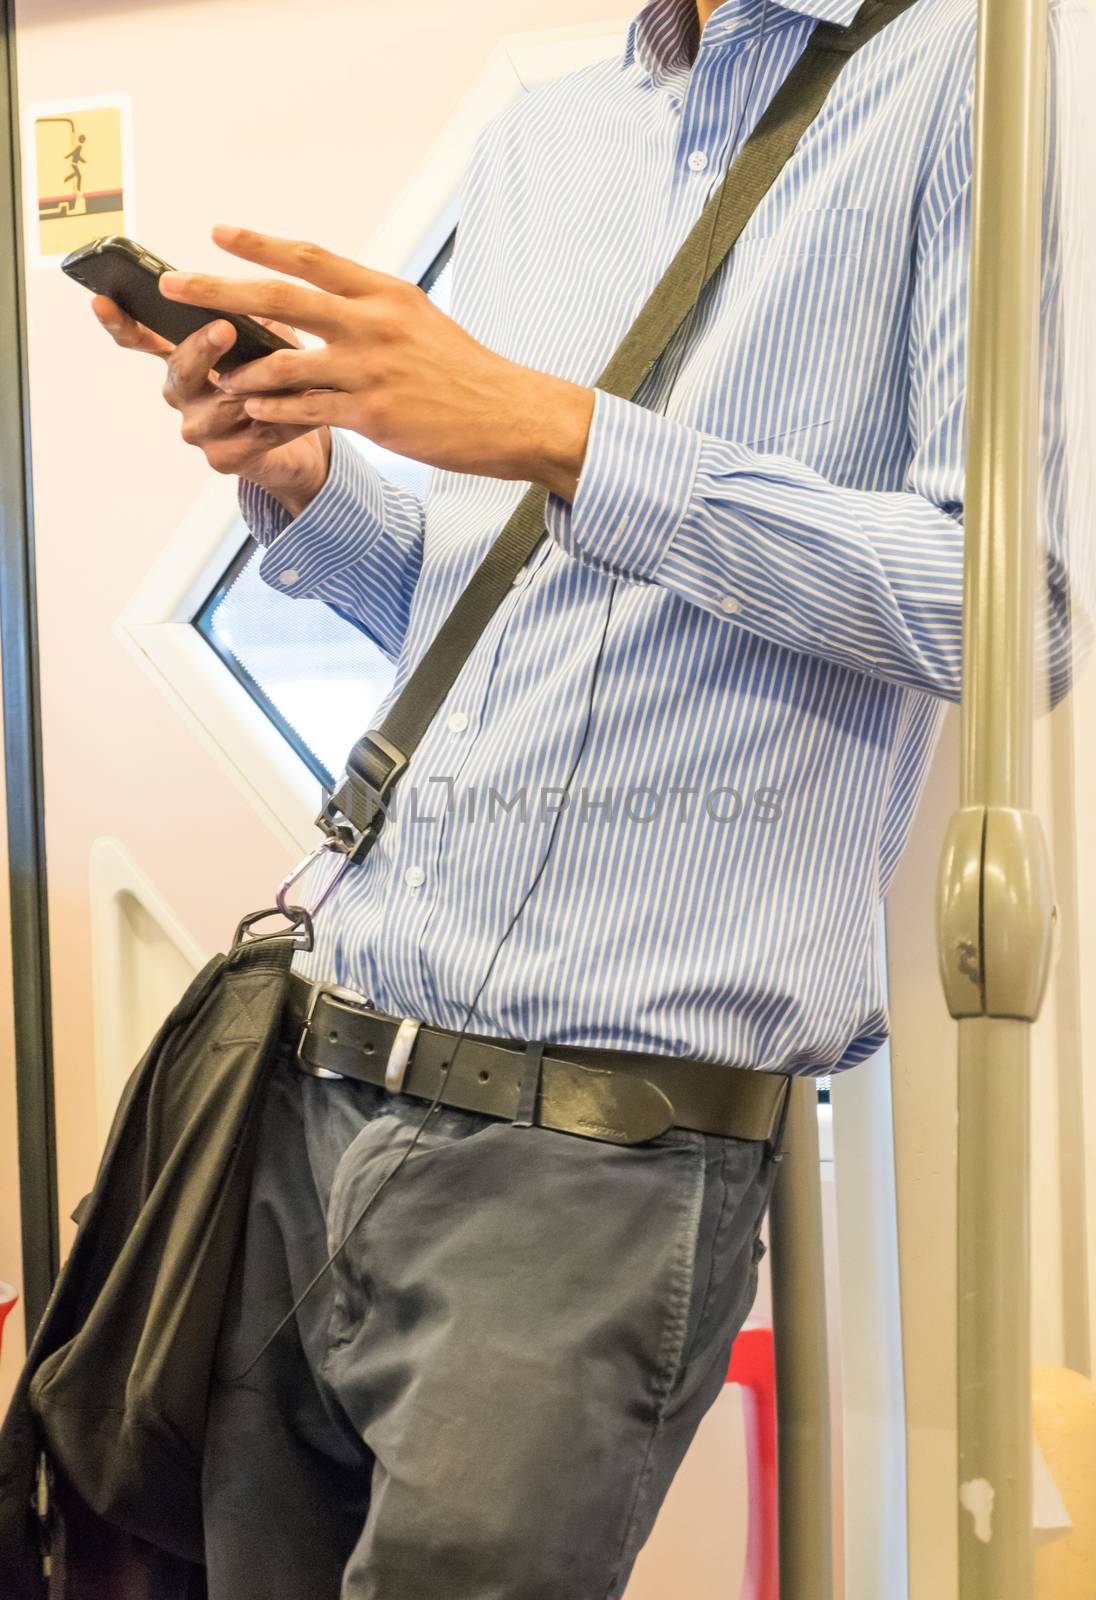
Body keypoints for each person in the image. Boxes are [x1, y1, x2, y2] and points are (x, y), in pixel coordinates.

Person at [90, 0, 1073, 1594]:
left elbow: (1013, 609)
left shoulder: (984, 73)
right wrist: (306, 477)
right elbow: (497, 597)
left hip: (597, 1155)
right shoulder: (542, 140)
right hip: (317, 1078)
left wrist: (563, 432)